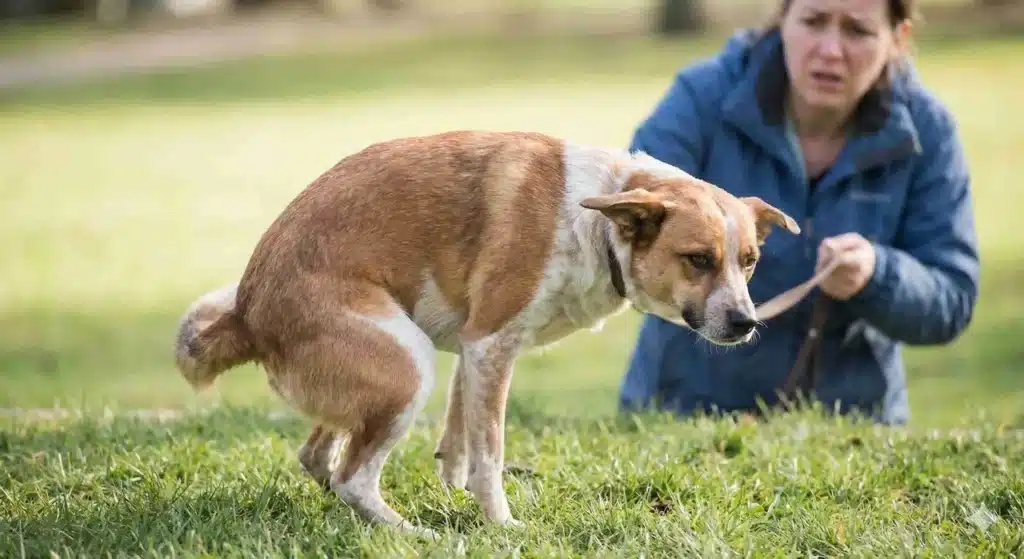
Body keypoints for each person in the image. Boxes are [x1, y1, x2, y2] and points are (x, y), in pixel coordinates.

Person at [618, 0, 980, 425]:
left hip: (850, 433)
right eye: (813, 21)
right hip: (681, 418)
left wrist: (877, 275)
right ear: (782, 19)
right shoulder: (703, 98)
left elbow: (952, 301)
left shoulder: (928, 130)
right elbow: (630, 226)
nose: (830, 49)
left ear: (897, 39)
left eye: (857, 31)